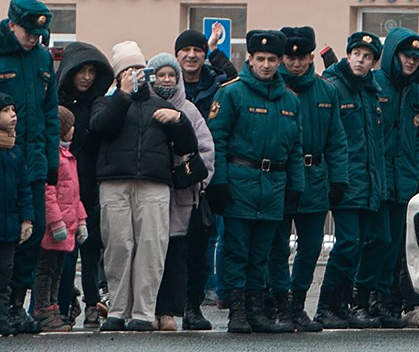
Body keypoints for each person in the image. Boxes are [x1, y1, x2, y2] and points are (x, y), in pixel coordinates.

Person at [86, 42, 198, 331]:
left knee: (151, 246)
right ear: (118, 75)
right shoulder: (105, 103)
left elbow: (187, 146)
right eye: (128, 70)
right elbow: (101, 128)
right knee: (118, 246)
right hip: (114, 182)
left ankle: (144, 312)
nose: (135, 74)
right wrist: (122, 96)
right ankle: (117, 310)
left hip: (154, 183)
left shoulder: (161, 105)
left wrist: (179, 120)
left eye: (139, 69)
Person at [209, 30, 303, 335]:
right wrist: (219, 183)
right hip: (239, 182)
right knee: (237, 250)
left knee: (262, 253)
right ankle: (237, 312)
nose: (266, 65)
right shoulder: (232, 93)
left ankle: (255, 310)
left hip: (274, 184)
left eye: (272, 59)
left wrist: (296, 186)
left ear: (280, 61)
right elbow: (217, 141)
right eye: (260, 58)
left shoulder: (290, 100)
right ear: (249, 58)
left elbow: (295, 148)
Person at [274, 27, 347, 333]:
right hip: (281, 176)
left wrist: (338, 179)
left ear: (311, 56)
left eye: (302, 57)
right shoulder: (273, 88)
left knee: (311, 246)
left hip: (315, 175)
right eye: (290, 58)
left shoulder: (326, 91)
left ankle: (298, 303)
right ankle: (279, 304)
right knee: (277, 247)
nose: (296, 64)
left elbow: (336, 139)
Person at [323, 31, 388, 329]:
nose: (361, 60)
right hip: (346, 180)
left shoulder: (371, 91)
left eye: (367, 56)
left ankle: (343, 306)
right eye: (357, 54)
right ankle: (326, 306)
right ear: (348, 55)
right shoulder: (334, 87)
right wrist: (336, 179)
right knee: (347, 243)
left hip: (368, 181)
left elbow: (375, 143)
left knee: (360, 245)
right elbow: (332, 139)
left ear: (374, 62)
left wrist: (378, 183)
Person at [1, 0, 58, 324]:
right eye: (28, 33)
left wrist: (51, 161)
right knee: (4, 235)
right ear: (12, 25)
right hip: (3, 162)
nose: (34, 39)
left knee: (32, 234)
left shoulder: (42, 58)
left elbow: (50, 113)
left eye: (39, 34)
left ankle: (15, 305)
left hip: (33, 162)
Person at [149, 55, 216, 332]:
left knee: (179, 257)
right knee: (150, 254)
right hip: (150, 193)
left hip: (183, 197)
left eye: (171, 75)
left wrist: (197, 180)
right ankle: (148, 309)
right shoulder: (143, 107)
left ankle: (171, 311)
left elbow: (207, 150)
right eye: (161, 75)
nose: (166, 80)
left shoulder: (189, 110)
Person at [374, 26, 419, 326]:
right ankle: (366, 299)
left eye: (416, 58)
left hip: (405, 179)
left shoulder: (418, 92)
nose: (411, 61)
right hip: (379, 177)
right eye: (406, 55)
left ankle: (385, 303)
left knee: (395, 245)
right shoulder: (375, 83)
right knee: (377, 241)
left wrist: (415, 166)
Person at [51, 40, 110, 326]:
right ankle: (63, 303)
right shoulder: (56, 104)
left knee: (91, 247)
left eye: (92, 72)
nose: (86, 77)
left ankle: (92, 302)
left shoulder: (98, 104)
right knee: (63, 250)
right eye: (81, 71)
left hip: (90, 183)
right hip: (62, 184)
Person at [30, 103, 86, 333]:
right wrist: (55, 222)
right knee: (45, 269)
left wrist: (81, 220)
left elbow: (75, 194)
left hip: (67, 226)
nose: (73, 130)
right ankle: (42, 309)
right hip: (54, 227)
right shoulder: (53, 157)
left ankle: (53, 306)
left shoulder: (68, 156)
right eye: (70, 126)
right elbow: (48, 193)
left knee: (57, 270)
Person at [0, 95, 40, 335]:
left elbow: (24, 189)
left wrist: (27, 219)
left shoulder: (15, 152)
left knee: (5, 273)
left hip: (9, 227)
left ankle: (3, 319)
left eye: (13, 110)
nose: (12, 114)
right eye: (5, 110)